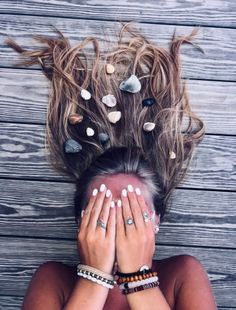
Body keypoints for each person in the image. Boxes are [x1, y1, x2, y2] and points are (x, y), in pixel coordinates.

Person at [5, 21, 217, 309]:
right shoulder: (53, 280)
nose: (118, 229)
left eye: (132, 214)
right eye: (103, 212)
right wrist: (95, 278)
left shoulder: (183, 275)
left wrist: (138, 279)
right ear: (81, 221)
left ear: (156, 222)